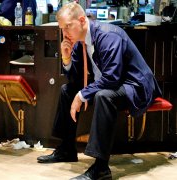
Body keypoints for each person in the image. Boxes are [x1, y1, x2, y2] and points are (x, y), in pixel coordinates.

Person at [37, 2, 162, 180]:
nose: (64, 34)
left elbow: (112, 78)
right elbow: (75, 80)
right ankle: (66, 149)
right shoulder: (80, 42)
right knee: (67, 90)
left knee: (104, 96)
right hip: (114, 84)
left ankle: (101, 168)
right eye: (61, 29)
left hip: (135, 86)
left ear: (81, 20)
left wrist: (82, 95)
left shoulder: (107, 35)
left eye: (67, 27)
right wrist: (66, 58)